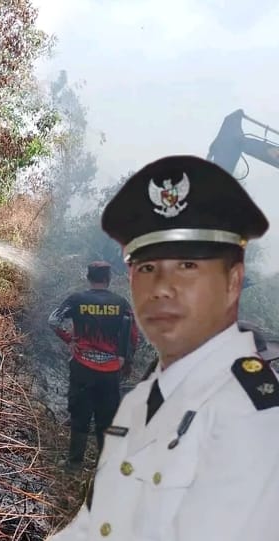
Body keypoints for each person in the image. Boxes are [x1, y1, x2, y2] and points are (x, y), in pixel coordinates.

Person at [47, 155, 279, 541]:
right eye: (149, 269)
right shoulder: (143, 398)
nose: (163, 290)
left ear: (233, 282)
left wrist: (73, 343)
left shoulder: (254, 407)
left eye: (189, 267)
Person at [48, 261, 138, 470]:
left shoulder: (77, 299)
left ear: (88, 277)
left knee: (80, 414)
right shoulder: (121, 303)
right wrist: (127, 360)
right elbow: (133, 335)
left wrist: (69, 339)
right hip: (110, 370)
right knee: (106, 418)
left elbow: (53, 320)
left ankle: (74, 463)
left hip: (82, 366)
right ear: (108, 279)